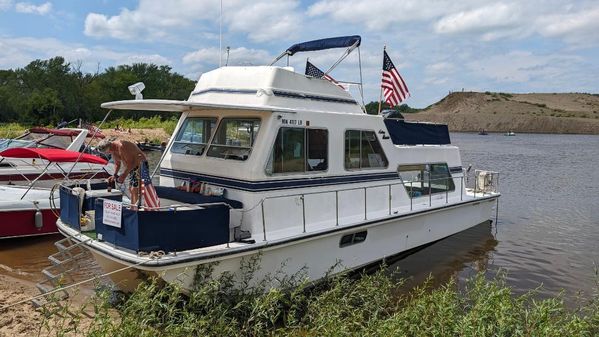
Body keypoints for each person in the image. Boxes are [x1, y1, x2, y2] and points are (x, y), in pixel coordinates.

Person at [96, 138, 148, 206]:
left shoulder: (121, 146)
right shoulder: (113, 150)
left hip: (140, 164)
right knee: (130, 189)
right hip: (132, 167)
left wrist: (123, 175)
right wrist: (114, 175)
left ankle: (136, 207)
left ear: (109, 147)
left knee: (134, 189)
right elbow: (117, 164)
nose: (107, 153)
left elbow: (131, 163)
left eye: (106, 152)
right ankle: (133, 206)